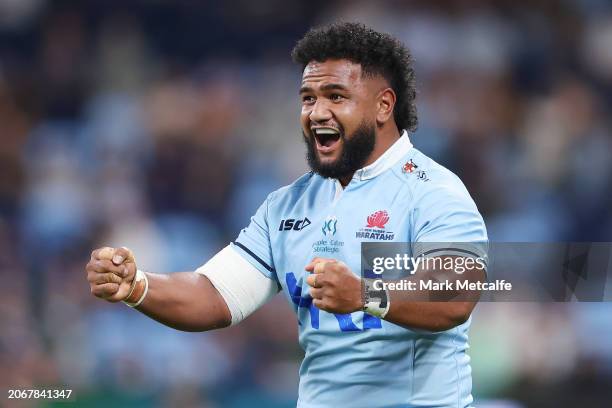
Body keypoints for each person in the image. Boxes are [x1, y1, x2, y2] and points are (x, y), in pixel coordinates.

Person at [86, 22, 487, 408]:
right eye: (308, 98)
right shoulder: (287, 205)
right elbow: (213, 296)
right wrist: (137, 286)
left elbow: (454, 297)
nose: (316, 112)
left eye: (336, 96)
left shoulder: (433, 192)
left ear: (384, 105)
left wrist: (364, 295)